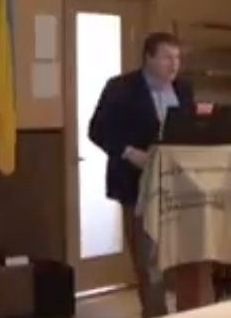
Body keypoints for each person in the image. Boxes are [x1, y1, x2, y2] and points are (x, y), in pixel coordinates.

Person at [88, 31, 195, 317]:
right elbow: (97, 129)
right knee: (148, 262)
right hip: (137, 185)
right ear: (149, 58)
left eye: (177, 58)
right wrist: (128, 152)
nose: (174, 65)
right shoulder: (121, 88)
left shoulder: (184, 89)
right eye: (167, 58)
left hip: (178, 185)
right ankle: (154, 313)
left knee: (181, 257)